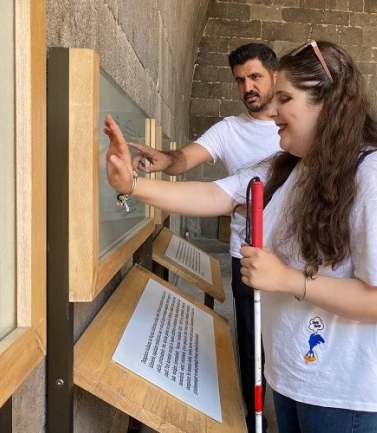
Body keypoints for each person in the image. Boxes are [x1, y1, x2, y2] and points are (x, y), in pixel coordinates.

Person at [106, 39, 377, 433]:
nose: (273, 110)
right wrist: (132, 185)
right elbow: (216, 195)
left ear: (327, 103)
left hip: (345, 391)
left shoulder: (376, 176)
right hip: (294, 377)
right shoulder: (292, 165)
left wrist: (288, 279)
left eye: (285, 98)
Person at [127, 42, 280, 432]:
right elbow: (185, 160)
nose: (248, 87)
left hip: (291, 256)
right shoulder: (230, 130)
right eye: (240, 80)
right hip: (249, 253)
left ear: (275, 76)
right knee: (252, 343)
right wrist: (165, 160)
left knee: (291, 340)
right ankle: (254, 418)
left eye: (255, 77)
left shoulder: (293, 127)